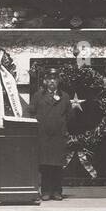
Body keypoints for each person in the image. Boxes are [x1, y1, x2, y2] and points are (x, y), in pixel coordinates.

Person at [30, 68, 72, 201]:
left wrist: (63, 127)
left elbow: (70, 116)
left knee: (57, 166)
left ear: (58, 81)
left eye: (55, 79)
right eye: (49, 79)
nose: (52, 81)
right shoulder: (38, 96)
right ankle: (46, 191)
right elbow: (31, 111)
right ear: (45, 81)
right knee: (45, 165)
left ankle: (57, 191)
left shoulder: (65, 96)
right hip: (43, 136)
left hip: (58, 137)